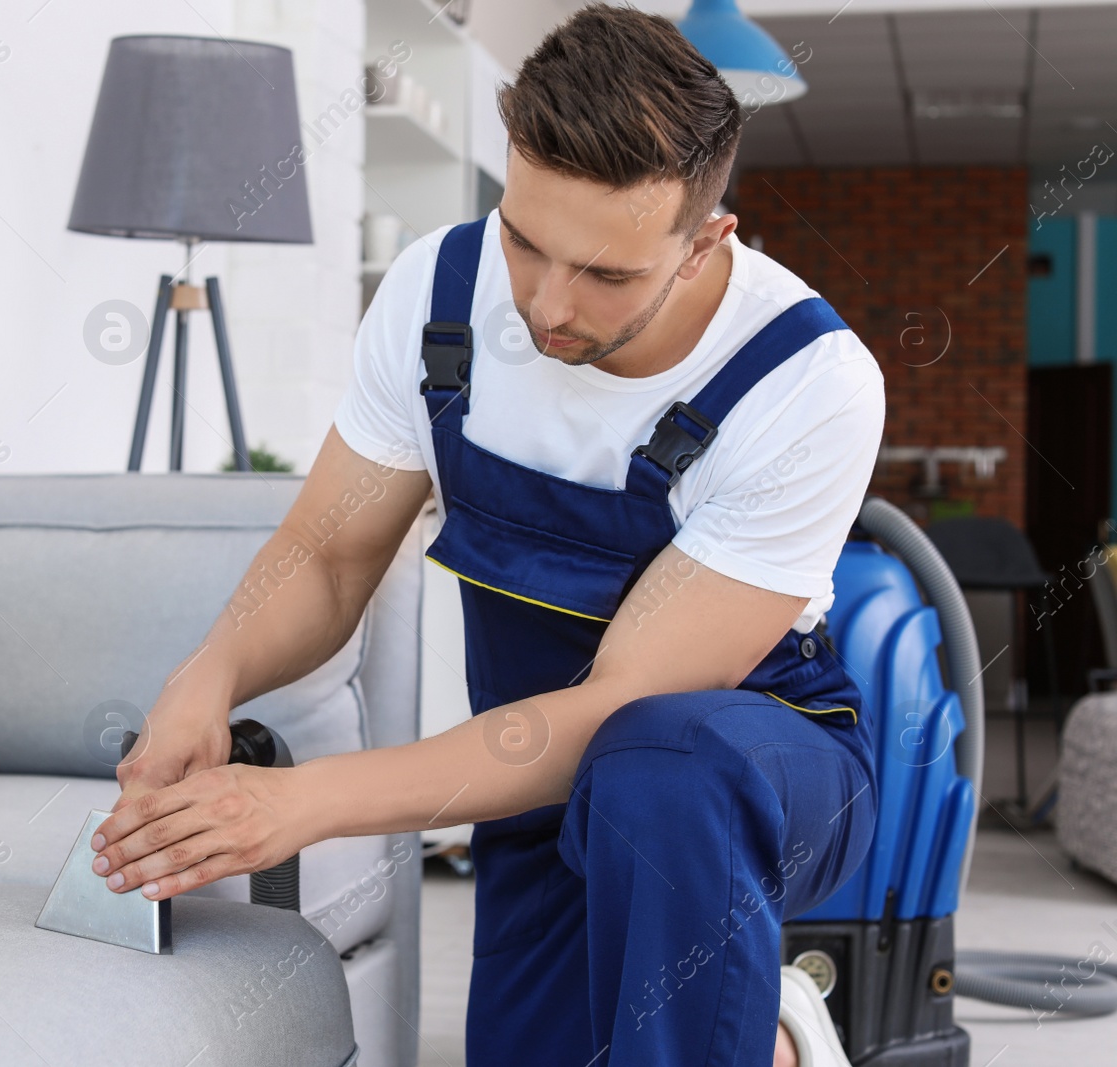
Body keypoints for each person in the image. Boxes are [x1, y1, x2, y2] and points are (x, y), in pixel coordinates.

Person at [87, 5, 881, 1065]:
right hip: (532, 782)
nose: (548, 307)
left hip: (753, 774)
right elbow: (327, 557)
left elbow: (616, 708)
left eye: (607, 275)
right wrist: (210, 673)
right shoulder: (437, 295)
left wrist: (306, 801)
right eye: (524, 241)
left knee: (660, 766)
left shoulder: (807, 381)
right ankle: (747, 1016)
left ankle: (764, 1025)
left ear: (703, 244)